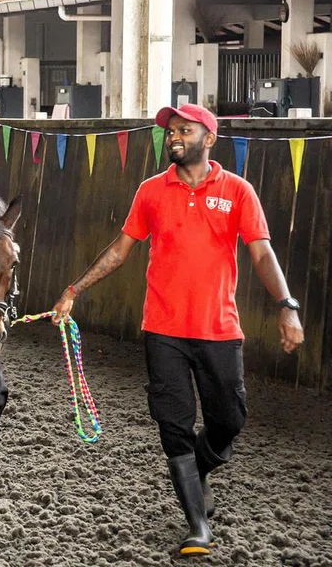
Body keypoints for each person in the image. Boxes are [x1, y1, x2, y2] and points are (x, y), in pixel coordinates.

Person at [51, 103, 305, 557]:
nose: (173, 138)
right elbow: (120, 250)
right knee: (174, 425)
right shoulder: (151, 191)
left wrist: (286, 305)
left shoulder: (238, 191)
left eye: (183, 131)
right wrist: (74, 289)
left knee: (229, 419)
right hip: (163, 328)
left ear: (209, 138)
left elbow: (262, 254)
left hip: (219, 328)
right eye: (170, 132)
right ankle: (196, 526)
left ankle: (200, 468)